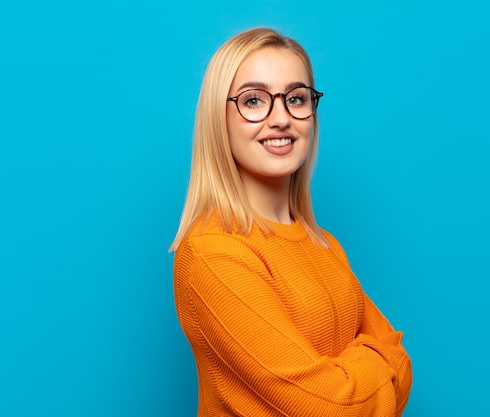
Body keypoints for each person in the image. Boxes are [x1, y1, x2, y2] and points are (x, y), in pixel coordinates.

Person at [170, 27, 412, 417]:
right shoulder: (214, 255)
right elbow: (331, 408)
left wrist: (359, 375)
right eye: (254, 100)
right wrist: (377, 364)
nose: (281, 118)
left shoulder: (324, 245)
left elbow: (401, 354)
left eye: (296, 98)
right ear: (219, 116)